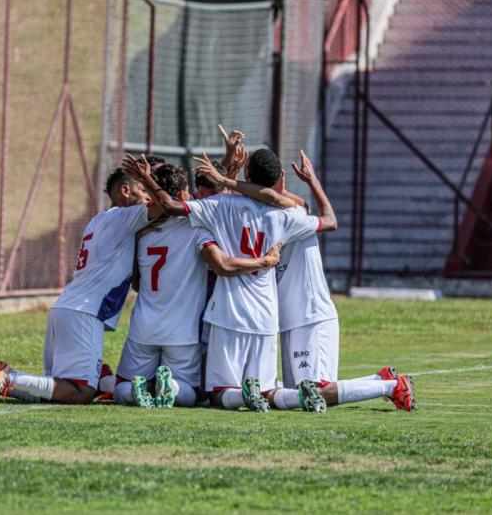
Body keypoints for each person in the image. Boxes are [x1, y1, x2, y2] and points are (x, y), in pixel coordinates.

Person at [122, 147, 336, 412]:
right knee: (268, 389)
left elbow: (171, 206)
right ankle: (299, 397)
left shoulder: (215, 208)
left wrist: (148, 179)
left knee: (217, 393)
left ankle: (244, 396)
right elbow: (328, 220)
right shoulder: (286, 215)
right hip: (266, 318)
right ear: (278, 180)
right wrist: (311, 181)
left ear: (247, 173)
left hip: (228, 314)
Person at [203, 149, 417, 413]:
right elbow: (236, 201)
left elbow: (327, 220)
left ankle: (393, 385)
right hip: (287, 320)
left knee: (317, 392)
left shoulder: (291, 212)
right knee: (295, 395)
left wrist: (312, 181)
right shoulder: (257, 211)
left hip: (312, 316)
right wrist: (230, 171)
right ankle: (379, 379)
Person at [0, 167, 165, 405]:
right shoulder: (124, 217)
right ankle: (9, 377)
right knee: (80, 392)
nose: (148, 196)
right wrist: (154, 181)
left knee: (59, 387)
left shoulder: (99, 220)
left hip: (65, 308)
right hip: (84, 312)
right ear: (125, 190)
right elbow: (162, 207)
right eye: (143, 190)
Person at [115, 164, 281, 408]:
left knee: (121, 386)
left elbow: (137, 283)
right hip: (182, 333)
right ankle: (169, 386)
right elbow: (221, 262)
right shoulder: (196, 228)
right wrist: (264, 262)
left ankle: (136, 390)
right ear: (184, 193)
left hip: (144, 326)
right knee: (192, 394)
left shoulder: (142, 231)